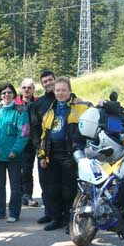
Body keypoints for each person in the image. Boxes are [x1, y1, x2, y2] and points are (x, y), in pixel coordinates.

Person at [38, 77, 89, 233]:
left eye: (63, 90)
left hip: (70, 153)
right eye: (58, 90)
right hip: (52, 153)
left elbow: (92, 122)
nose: (60, 93)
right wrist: (42, 155)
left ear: (69, 91)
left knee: (69, 191)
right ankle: (57, 219)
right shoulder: (50, 110)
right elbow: (44, 136)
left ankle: (70, 220)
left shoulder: (81, 107)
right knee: (53, 189)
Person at [0, 83, 29, 222]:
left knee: (15, 186)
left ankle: (14, 213)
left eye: (9, 92)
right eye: (3, 93)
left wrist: (15, 150)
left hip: (13, 156)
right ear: (0, 95)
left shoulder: (21, 111)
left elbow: (24, 133)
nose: (6, 95)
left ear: (14, 95)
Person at [29, 71, 56, 224]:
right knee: (45, 183)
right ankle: (49, 213)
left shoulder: (66, 98)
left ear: (55, 79)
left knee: (61, 184)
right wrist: (38, 148)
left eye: (50, 80)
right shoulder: (37, 104)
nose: (48, 83)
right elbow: (34, 128)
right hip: (44, 148)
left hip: (61, 148)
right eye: (44, 81)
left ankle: (64, 215)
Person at [14, 78, 39, 207]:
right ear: (20, 89)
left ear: (33, 89)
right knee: (17, 170)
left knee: (28, 170)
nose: (27, 90)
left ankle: (27, 195)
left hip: (31, 141)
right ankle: (18, 196)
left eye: (29, 87)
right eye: (24, 87)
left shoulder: (38, 103)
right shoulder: (14, 103)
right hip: (17, 142)